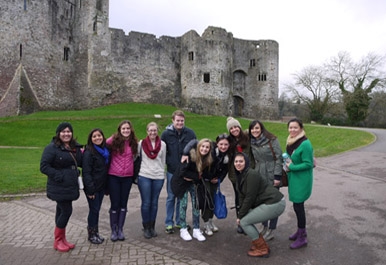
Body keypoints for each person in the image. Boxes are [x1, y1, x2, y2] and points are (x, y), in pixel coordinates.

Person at [40, 122, 83, 252]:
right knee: (66, 211)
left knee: (61, 210)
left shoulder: (73, 147)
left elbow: (78, 162)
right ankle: (58, 240)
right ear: (58, 133)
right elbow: (44, 166)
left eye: (69, 131)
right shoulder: (51, 148)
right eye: (63, 132)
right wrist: (59, 176)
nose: (66, 134)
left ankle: (62, 239)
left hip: (69, 186)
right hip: (59, 186)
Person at [234, 152, 286, 257]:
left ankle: (262, 248)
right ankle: (260, 244)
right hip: (268, 202)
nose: (238, 164)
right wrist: (240, 212)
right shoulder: (240, 176)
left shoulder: (251, 174)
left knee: (244, 222)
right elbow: (241, 196)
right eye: (236, 161)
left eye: (241, 161)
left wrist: (240, 217)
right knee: (245, 217)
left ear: (246, 162)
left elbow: (250, 197)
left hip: (275, 202)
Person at [181, 133, 231, 236]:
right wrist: (185, 153)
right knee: (206, 201)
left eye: (226, 144)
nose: (223, 147)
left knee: (213, 200)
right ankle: (206, 222)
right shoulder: (212, 151)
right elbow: (195, 141)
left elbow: (225, 170)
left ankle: (210, 220)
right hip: (205, 179)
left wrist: (219, 179)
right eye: (221, 144)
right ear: (217, 144)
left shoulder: (227, 156)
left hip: (214, 181)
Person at [161, 110, 196, 234]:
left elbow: (194, 149)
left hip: (184, 171)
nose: (180, 123)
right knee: (171, 197)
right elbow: (162, 151)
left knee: (181, 197)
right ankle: (169, 223)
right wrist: (168, 162)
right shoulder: (166, 134)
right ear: (173, 120)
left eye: (182, 120)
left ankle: (180, 222)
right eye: (177, 120)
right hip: (172, 170)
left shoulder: (190, 133)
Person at [174, 138, 215, 242]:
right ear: (198, 147)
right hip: (182, 184)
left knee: (196, 205)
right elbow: (183, 172)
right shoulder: (190, 156)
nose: (204, 149)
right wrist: (197, 176)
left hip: (195, 184)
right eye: (203, 146)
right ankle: (183, 228)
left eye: (207, 147)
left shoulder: (207, 159)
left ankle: (196, 229)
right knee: (183, 205)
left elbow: (205, 174)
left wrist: (197, 177)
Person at [248, 120, 283, 241]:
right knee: (263, 203)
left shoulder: (272, 139)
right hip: (260, 175)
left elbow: (279, 158)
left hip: (272, 173)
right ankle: (264, 227)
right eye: (252, 129)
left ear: (261, 128)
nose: (255, 131)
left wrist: (277, 176)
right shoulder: (252, 142)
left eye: (257, 128)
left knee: (273, 203)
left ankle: (271, 230)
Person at [106, 120, 138, 242]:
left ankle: (120, 229)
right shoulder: (114, 140)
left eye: (128, 128)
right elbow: (102, 144)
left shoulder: (133, 142)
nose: (126, 131)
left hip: (127, 177)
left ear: (131, 130)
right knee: (115, 203)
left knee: (123, 204)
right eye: (123, 129)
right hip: (114, 175)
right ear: (119, 130)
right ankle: (113, 229)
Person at [285, 118, 314, 249]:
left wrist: (292, 167)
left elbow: (309, 164)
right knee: (297, 206)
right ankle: (300, 230)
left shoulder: (305, 144)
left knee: (298, 207)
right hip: (294, 178)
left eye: (295, 127)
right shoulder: (291, 141)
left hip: (302, 180)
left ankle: (302, 237)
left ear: (301, 128)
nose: (292, 130)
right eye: (290, 127)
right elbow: (293, 157)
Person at [137, 122, 166, 239]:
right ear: (147, 131)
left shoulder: (163, 144)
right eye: (150, 130)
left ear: (157, 131)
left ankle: (152, 226)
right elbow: (137, 157)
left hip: (158, 176)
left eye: (154, 130)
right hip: (145, 175)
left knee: (154, 203)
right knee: (146, 202)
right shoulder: (141, 143)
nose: (152, 132)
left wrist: (161, 173)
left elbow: (163, 161)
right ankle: (146, 226)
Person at [82, 128, 110, 244]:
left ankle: (96, 232)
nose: (97, 138)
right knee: (94, 210)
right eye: (94, 136)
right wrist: (90, 190)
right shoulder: (89, 152)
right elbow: (86, 172)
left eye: (99, 135)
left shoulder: (105, 151)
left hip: (101, 186)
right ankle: (91, 234)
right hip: (92, 187)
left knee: (97, 210)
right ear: (91, 139)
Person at [226, 116, 253, 233]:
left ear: (240, 127)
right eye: (231, 128)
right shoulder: (229, 141)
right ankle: (241, 222)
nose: (234, 130)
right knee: (238, 198)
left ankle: (249, 221)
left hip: (248, 172)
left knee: (249, 198)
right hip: (235, 175)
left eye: (236, 127)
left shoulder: (247, 137)